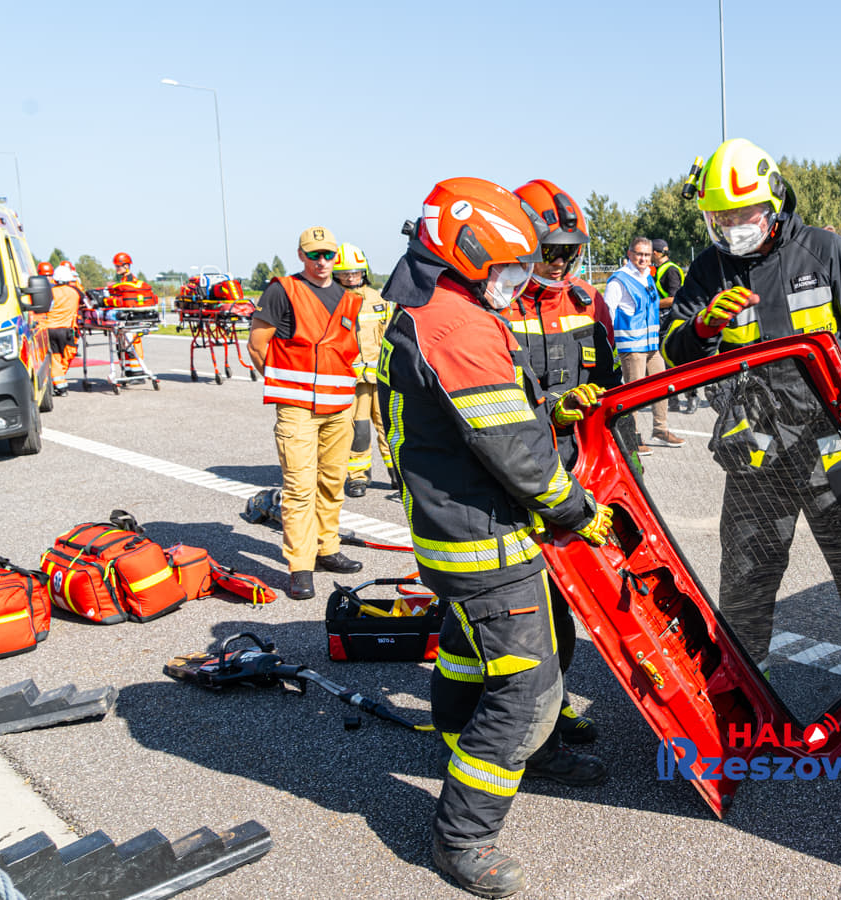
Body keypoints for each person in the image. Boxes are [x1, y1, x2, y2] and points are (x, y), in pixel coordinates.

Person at [379, 177, 613, 898]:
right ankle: (463, 836)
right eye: (509, 268)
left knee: (464, 649)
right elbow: (513, 451)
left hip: (451, 534)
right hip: (487, 541)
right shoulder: (460, 326)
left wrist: (549, 408)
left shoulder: (427, 307)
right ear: (470, 251)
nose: (517, 281)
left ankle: (468, 746)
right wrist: (575, 510)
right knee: (527, 691)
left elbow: (481, 416)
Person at [663, 137, 841, 751]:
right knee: (747, 581)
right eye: (720, 217)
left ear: (774, 203)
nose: (732, 226)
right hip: (755, 452)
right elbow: (674, 348)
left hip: (831, 446)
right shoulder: (709, 270)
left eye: (742, 213)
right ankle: (741, 702)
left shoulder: (825, 251)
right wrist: (702, 327)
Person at [508, 177, 621, 747]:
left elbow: (613, 388)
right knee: (524, 610)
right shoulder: (497, 306)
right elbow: (490, 405)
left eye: (570, 252)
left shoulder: (587, 302)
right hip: (514, 480)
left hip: (577, 477)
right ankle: (521, 717)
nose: (560, 263)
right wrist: (553, 408)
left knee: (568, 601)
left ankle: (556, 703)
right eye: (550, 251)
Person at [247, 227, 365, 601]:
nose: (321, 261)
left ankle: (327, 548)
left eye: (328, 254)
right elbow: (257, 345)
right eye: (314, 254)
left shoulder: (348, 298)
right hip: (298, 409)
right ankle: (301, 565)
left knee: (332, 482)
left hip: (339, 408)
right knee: (300, 489)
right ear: (301, 255)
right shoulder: (283, 291)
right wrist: (287, 388)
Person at [605, 236, 682, 452]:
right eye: (639, 254)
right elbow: (608, 311)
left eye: (647, 255)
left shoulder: (648, 276)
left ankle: (660, 429)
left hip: (651, 345)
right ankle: (631, 438)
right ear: (630, 254)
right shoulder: (619, 280)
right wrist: (611, 343)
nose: (643, 258)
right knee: (634, 395)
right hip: (632, 347)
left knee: (662, 386)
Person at [334, 243, 394, 499]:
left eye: (355, 272)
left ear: (363, 272)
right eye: (345, 273)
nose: (350, 277)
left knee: (389, 427)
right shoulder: (332, 300)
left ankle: (397, 474)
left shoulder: (377, 299)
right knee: (358, 431)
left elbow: (389, 335)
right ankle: (358, 477)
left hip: (381, 378)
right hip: (353, 380)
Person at [651, 238, 694, 412]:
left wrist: (651, 305)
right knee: (664, 361)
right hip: (662, 319)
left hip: (673, 318)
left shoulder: (670, 270)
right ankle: (673, 400)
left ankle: (692, 397)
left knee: (679, 360)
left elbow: (674, 298)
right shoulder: (659, 269)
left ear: (655, 253)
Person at [41, 261, 82, 396]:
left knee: (55, 357)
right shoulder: (75, 291)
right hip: (67, 330)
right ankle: (60, 383)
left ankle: (59, 383)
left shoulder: (49, 292)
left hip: (50, 329)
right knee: (67, 355)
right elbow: (87, 304)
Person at [108, 251, 148, 374]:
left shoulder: (130, 281)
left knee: (130, 342)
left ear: (126, 266)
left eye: (118, 266)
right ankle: (128, 370)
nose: (116, 268)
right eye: (115, 266)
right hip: (126, 316)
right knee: (123, 344)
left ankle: (137, 371)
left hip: (131, 317)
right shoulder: (124, 280)